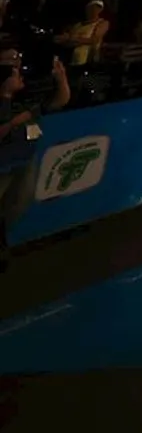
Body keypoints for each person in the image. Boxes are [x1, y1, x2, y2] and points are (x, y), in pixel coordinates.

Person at [1, 47, 70, 268]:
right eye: (9, 60)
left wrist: (61, 78)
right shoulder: (5, 93)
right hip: (3, 163)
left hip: (25, 159)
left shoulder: (29, 90)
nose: (15, 65)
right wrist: (6, 97)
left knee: (18, 203)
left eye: (17, 59)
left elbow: (59, 101)